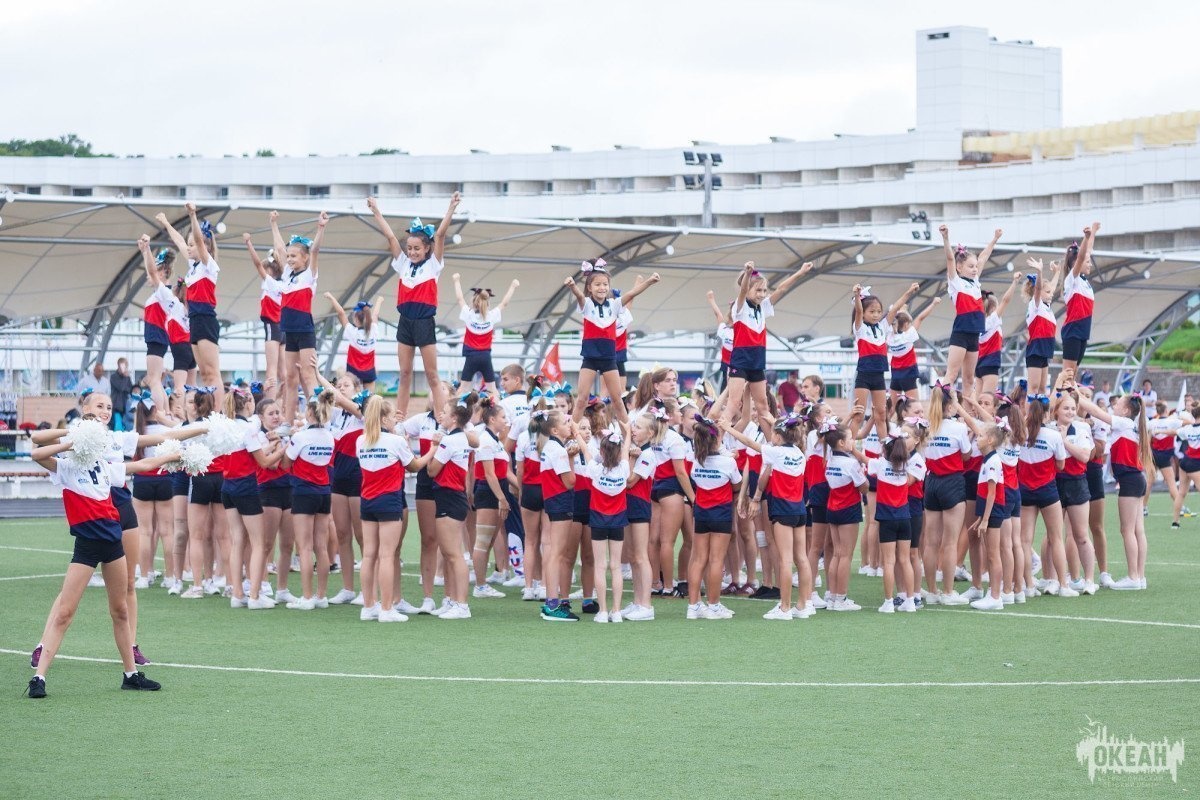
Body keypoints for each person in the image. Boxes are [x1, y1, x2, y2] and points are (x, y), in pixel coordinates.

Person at [26, 428, 179, 699]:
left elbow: (142, 464)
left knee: (120, 610)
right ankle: (39, 677)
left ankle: (130, 675)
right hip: (85, 547)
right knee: (65, 612)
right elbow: (36, 453)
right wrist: (71, 439)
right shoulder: (67, 468)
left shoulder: (106, 468)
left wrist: (174, 455)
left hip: (113, 544)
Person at [367, 192, 461, 418]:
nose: (412, 252)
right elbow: (390, 238)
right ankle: (399, 416)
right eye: (409, 248)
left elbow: (440, 235)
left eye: (417, 248)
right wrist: (376, 211)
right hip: (405, 322)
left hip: (424, 322)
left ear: (426, 248)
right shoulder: (403, 264)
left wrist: (451, 208)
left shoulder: (433, 266)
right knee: (405, 372)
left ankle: (442, 417)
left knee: (432, 375)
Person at [356, 395, 433, 622]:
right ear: (382, 418)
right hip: (388, 500)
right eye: (390, 417)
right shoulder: (395, 441)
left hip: (367, 500)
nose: (394, 421)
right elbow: (415, 465)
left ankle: (369, 605)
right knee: (387, 555)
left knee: (369, 555)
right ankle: (387, 608)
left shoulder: (361, 440)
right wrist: (433, 450)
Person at [563, 259, 659, 425]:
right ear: (590, 288)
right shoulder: (586, 305)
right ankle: (572, 434)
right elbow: (579, 295)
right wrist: (572, 286)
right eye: (597, 285)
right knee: (581, 400)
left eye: (605, 284)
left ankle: (629, 435)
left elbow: (631, 294)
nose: (602, 288)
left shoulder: (614, 305)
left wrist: (650, 281)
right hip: (590, 358)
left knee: (618, 401)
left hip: (609, 359)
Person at [721, 260, 813, 425]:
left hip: (757, 361)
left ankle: (775, 441)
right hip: (741, 360)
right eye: (758, 290)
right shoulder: (739, 307)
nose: (762, 294)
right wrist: (748, 273)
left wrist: (800, 272)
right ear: (747, 288)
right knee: (734, 404)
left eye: (764, 290)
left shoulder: (762, 307)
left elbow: (781, 289)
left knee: (763, 406)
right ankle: (717, 441)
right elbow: (742, 291)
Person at [156, 204, 223, 407]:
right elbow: (178, 241)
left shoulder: (208, 264)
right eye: (189, 244)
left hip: (205, 318)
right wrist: (167, 223)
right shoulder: (193, 268)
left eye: (193, 244)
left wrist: (193, 215)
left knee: (212, 372)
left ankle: (218, 413)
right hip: (194, 319)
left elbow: (200, 244)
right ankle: (211, 411)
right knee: (203, 373)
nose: (189, 247)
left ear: (204, 246)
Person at [270, 210, 329, 423]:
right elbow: (279, 248)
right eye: (289, 256)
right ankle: (288, 421)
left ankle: (319, 420)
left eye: (294, 256)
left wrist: (320, 227)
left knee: (308, 375)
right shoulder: (287, 274)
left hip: (304, 330)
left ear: (304, 258)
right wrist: (274, 224)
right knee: (290, 378)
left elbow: (316, 250)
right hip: (289, 331)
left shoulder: (309, 275)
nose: (289, 259)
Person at [280, 390, 336, 610]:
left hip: (303, 492)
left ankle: (307, 596)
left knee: (304, 547)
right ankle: (321, 596)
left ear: (311, 414)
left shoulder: (301, 437)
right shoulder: (329, 436)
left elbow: (285, 464)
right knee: (321, 547)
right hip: (323, 492)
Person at [682, 415, 739, 620]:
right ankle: (714, 605)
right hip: (721, 513)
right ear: (716, 439)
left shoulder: (696, 461)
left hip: (701, 512)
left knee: (698, 559)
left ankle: (693, 605)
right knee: (716, 560)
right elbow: (737, 485)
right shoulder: (728, 462)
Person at [939, 225, 1002, 394]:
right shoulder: (956, 283)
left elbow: (983, 257)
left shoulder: (975, 282)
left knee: (969, 379)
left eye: (975, 267)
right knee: (951, 375)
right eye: (970, 266)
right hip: (961, 333)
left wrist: (994, 239)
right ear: (960, 268)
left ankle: (966, 416)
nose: (975, 269)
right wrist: (946, 238)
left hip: (975, 334)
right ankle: (942, 410)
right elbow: (950, 260)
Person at [581, 421, 632, 622]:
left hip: (598, 519)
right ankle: (616, 611)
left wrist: (577, 432)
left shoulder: (594, 468)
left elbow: (585, 451)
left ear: (602, 451)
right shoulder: (624, 469)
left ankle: (602, 611)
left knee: (600, 566)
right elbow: (626, 450)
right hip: (618, 519)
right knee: (616, 566)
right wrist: (627, 432)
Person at [451, 274, 520, 394]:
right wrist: (513, 286)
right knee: (492, 389)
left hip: (471, 357)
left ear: (473, 302)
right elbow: (504, 303)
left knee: (463, 388)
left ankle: (453, 411)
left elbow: (460, 299)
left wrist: (456, 281)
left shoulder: (469, 314)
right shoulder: (491, 316)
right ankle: (500, 411)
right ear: (487, 303)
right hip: (485, 357)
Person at [968, 423, 1009, 610]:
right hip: (989, 511)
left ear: (991, 440)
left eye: (981, 435)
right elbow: (985, 493)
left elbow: (992, 493)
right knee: (991, 554)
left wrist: (985, 519)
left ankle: (995, 596)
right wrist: (980, 518)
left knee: (992, 555)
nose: (977, 438)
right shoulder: (987, 460)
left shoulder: (992, 461)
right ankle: (992, 593)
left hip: (994, 511)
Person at [886, 283, 940, 399]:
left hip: (895, 373)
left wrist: (902, 310)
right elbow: (920, 317)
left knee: (891, 407)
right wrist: (933, 304)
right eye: (909, 323)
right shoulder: (908, 336)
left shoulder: (890, 337)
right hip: (908, 373)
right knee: (913, 403)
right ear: (906, 325)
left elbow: (895, 317)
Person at [1061, 223, 1100, 373]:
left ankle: (1069, 395)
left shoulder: (1084, 281)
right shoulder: (1073, 280)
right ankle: (1059, 396)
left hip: (1083, 332)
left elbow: (1087, 252)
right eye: (1087, 262)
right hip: (1073, 331)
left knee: (1073, 374)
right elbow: (1083, 255)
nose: (1090, 264)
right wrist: (1086, 237)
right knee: (1068, 375)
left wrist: (1094, 232)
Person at [326, 294, 383, 392]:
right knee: (369, 399)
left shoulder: (352, 331)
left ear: (356, 319)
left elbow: (341, 313)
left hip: (353, 370)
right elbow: (375, 314)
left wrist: (332, 298)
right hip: (369, 369)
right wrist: (379, 301)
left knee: (352, 398)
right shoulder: (374, 330)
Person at [1022, 257, 1061, 396]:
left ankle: (1042, 416)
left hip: (1044, 350)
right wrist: (1040, 272)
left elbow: (1052, 286)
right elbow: (1039, 288)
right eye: (1048, 292)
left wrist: (1057, 272)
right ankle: (1029, 417)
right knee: (1033, 389)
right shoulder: (1035, 305)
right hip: (1036, 350)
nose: (1051, 294)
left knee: (1043, 390)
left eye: (1051, 292)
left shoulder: (1046, 306)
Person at [109, 362, 134, 432]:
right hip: (116, 405)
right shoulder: (113, 377)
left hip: (125, 405)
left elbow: (130, 389)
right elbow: (121, 387)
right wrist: (125, 377)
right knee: (114, 424)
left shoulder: (127, 377)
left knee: (125, 425)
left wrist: (126, 378)